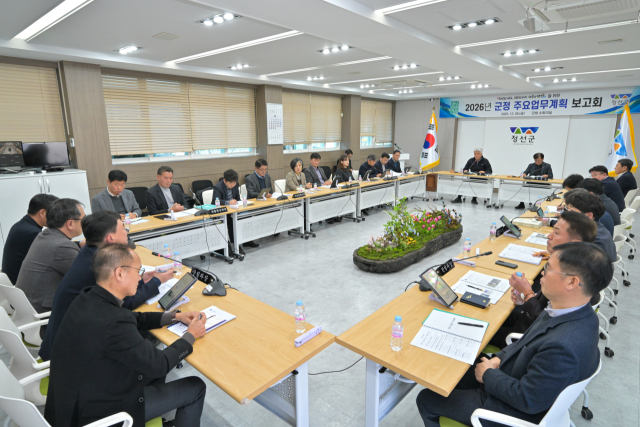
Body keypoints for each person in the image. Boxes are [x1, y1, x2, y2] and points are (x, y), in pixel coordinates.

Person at [416, 242, 611, 427]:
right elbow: (526, 340)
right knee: (456, 368)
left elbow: (529, 400)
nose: (543, 272)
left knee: (426, 399)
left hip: (509, 409)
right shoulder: (572, 311)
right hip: (512, 373)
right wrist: (499, 358)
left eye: (549, 268)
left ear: (571, 282)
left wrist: (489, 375)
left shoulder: (564, 345)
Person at [44, 244, 207, 427]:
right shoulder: (114, 322)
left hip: (74, 399)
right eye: (138, 271)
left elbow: (134, 318)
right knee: (195, 387)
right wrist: (191, 335)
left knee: (148, 367)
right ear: (119, 273)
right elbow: (160, 364)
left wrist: (175, 316)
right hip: (96, 415)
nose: (140, 277)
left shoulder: (87, 297)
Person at [38, 211, 174, 362]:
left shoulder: (89, 253)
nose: (126, 232)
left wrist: (141, 280)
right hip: (69, 354)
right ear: (110, 238)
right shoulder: (100, 266)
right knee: (144, 329)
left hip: (63, 338)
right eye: (123, 228)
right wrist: (157, 282)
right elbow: (128, 303)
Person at [489, 211, 597, 347]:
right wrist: (526, 297)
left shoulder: (568, 276)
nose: (549, 235)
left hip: (527, 337)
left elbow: (545, 323)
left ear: (574, 243)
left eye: (556, 233)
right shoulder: (580, 267)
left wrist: (528, 294)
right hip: (526, 320)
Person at [16, 198, 85, 318]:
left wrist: (80, 245)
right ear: (70, 224)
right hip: (45, 314)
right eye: (83, 219)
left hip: (27, 309)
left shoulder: (44, 235)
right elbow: (86, 277)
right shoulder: (63, 246)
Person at [1, 194, 58, 285]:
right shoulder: (32, 233)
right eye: (54, 213)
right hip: (22, 285)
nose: (57, 218)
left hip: (13, 283)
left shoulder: (21, 225)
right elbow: (55, 254)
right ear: (42, 213)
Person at [559, 189, 616, 261]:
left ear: (589, 215)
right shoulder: (594, 228)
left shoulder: (594, 239)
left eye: (572, 211)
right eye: (568, 209)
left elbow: (579, 263)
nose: (568, 214)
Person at [212, 169, 255, 253]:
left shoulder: (235, 185)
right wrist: (228, 202)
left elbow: (237, 198)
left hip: (234, 210)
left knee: (247, 216)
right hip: (222, 212)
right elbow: (215, 201)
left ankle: (246, 240)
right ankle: (234, 245)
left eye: (234, 183)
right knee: (231, 221)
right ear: (224, 181)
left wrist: (239, 203)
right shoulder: (218, 187)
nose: (233, 185)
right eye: (230, 183)